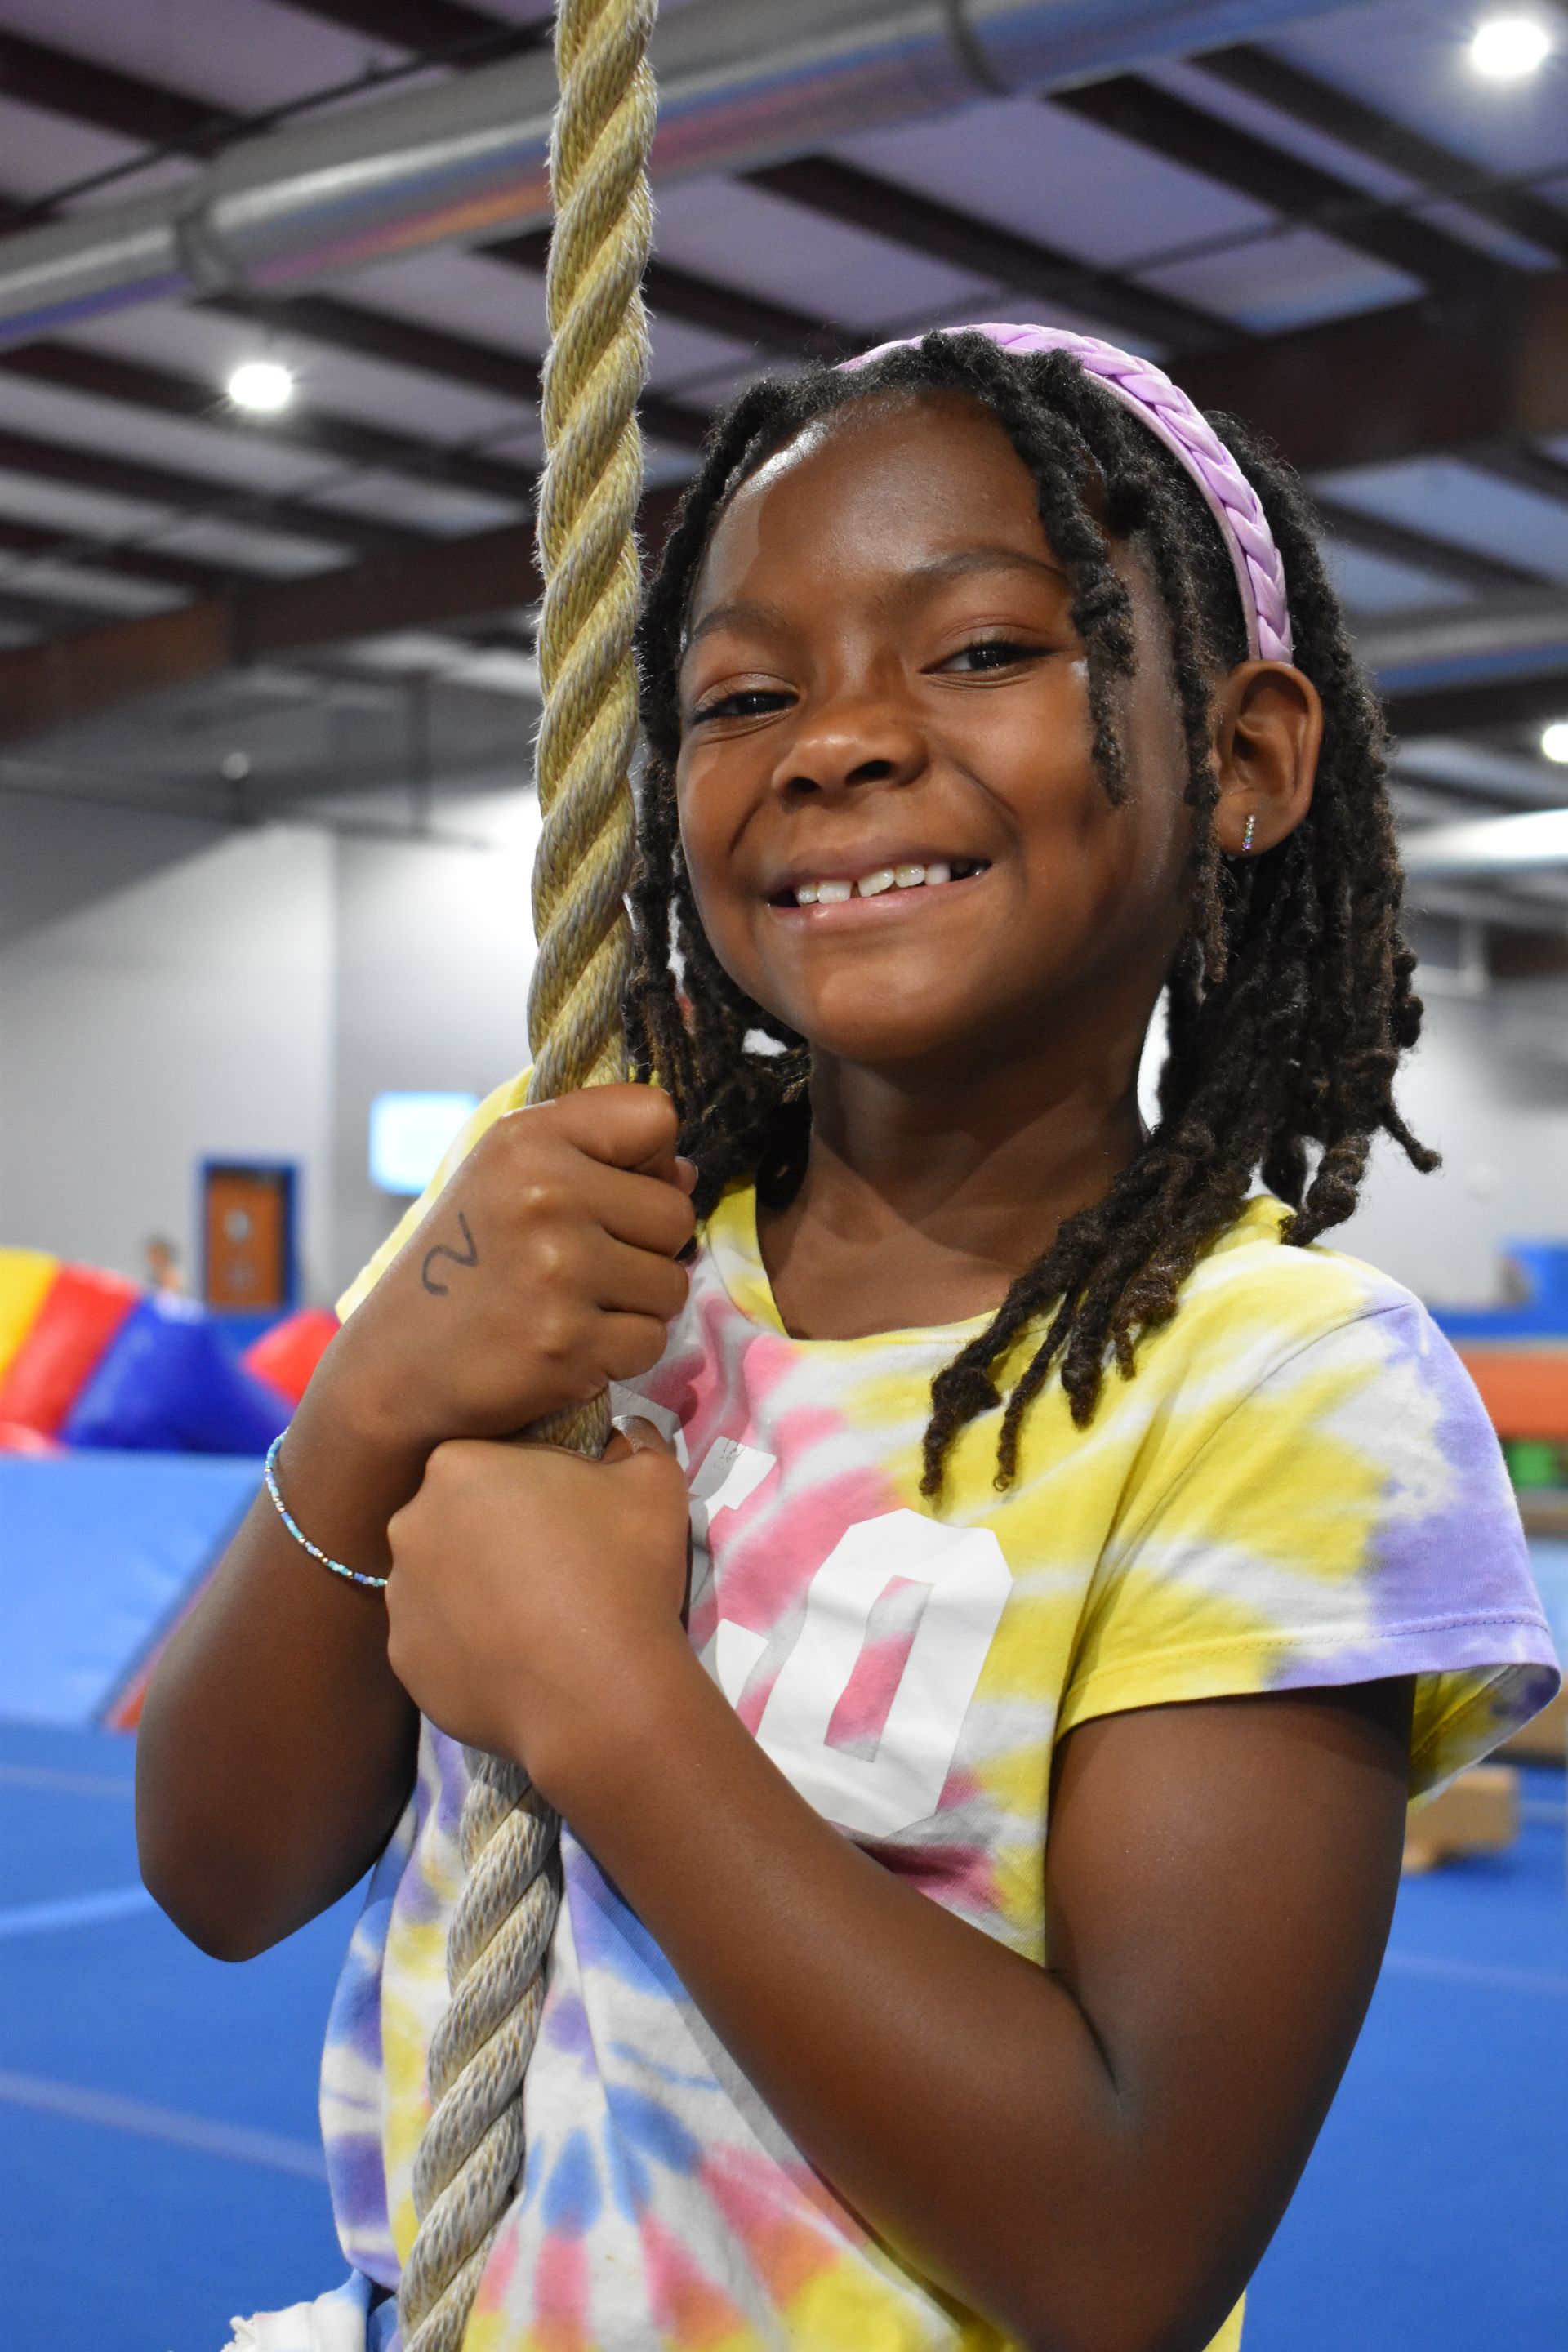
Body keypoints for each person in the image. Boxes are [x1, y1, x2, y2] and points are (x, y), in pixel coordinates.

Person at [138, 326, 1559, 2352]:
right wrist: (380, 1390)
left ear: (1244, 760)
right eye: (742, 694)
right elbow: (217, 1867)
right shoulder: (567, 1236)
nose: (836, 742)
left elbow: (1122, 2250)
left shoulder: (1282, 1386)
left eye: (979, 651)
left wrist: (607, 1706)